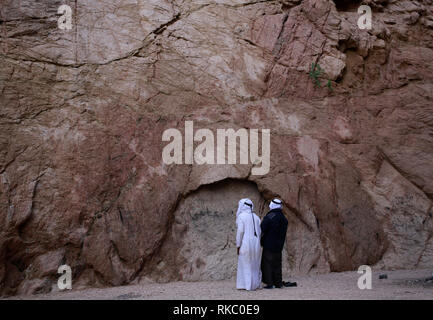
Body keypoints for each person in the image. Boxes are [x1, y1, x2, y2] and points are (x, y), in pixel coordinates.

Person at [260, 198, 289, 289]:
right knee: (277, 264)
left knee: (267, 263)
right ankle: (278, 283)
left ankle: (269, 283)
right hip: (279, 245)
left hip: (269, 244)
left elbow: (262, 227)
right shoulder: (284, 218)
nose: (269, 205)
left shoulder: (271, 216)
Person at [236, 198, 262, 291]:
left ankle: (246, 285)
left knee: (246, 263)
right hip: (256, 244)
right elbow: (259, 232)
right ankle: (255, 284)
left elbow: (240, 232)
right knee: (255, 264)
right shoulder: (256, 217)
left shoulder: (241, 216)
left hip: (245, 243)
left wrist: (238, 245)